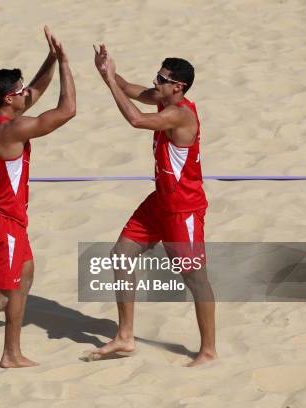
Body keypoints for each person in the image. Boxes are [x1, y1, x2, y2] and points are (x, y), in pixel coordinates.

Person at [0, 26, 76, 389]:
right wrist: (69, 64)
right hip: (2, 222)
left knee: (24, 276)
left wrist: (52, 58)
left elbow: (36, 92)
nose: (27, 94)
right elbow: (67, 109)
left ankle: (10, 353)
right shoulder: (10, 131)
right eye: (21, 92)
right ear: (10, 100)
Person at [90, 44, 217, 367]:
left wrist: (108, 82)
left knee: (195, 278)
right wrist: (108, 69)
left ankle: (208, 350)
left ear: (179, 87)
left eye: (161, 79)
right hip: (159, 201)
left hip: (183, 209)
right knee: (121, 254)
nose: (155, 83)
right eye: (156, 76)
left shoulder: (179, 113)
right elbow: (129, 88)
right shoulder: (164, 98)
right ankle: (125, 336)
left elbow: (134, 119)